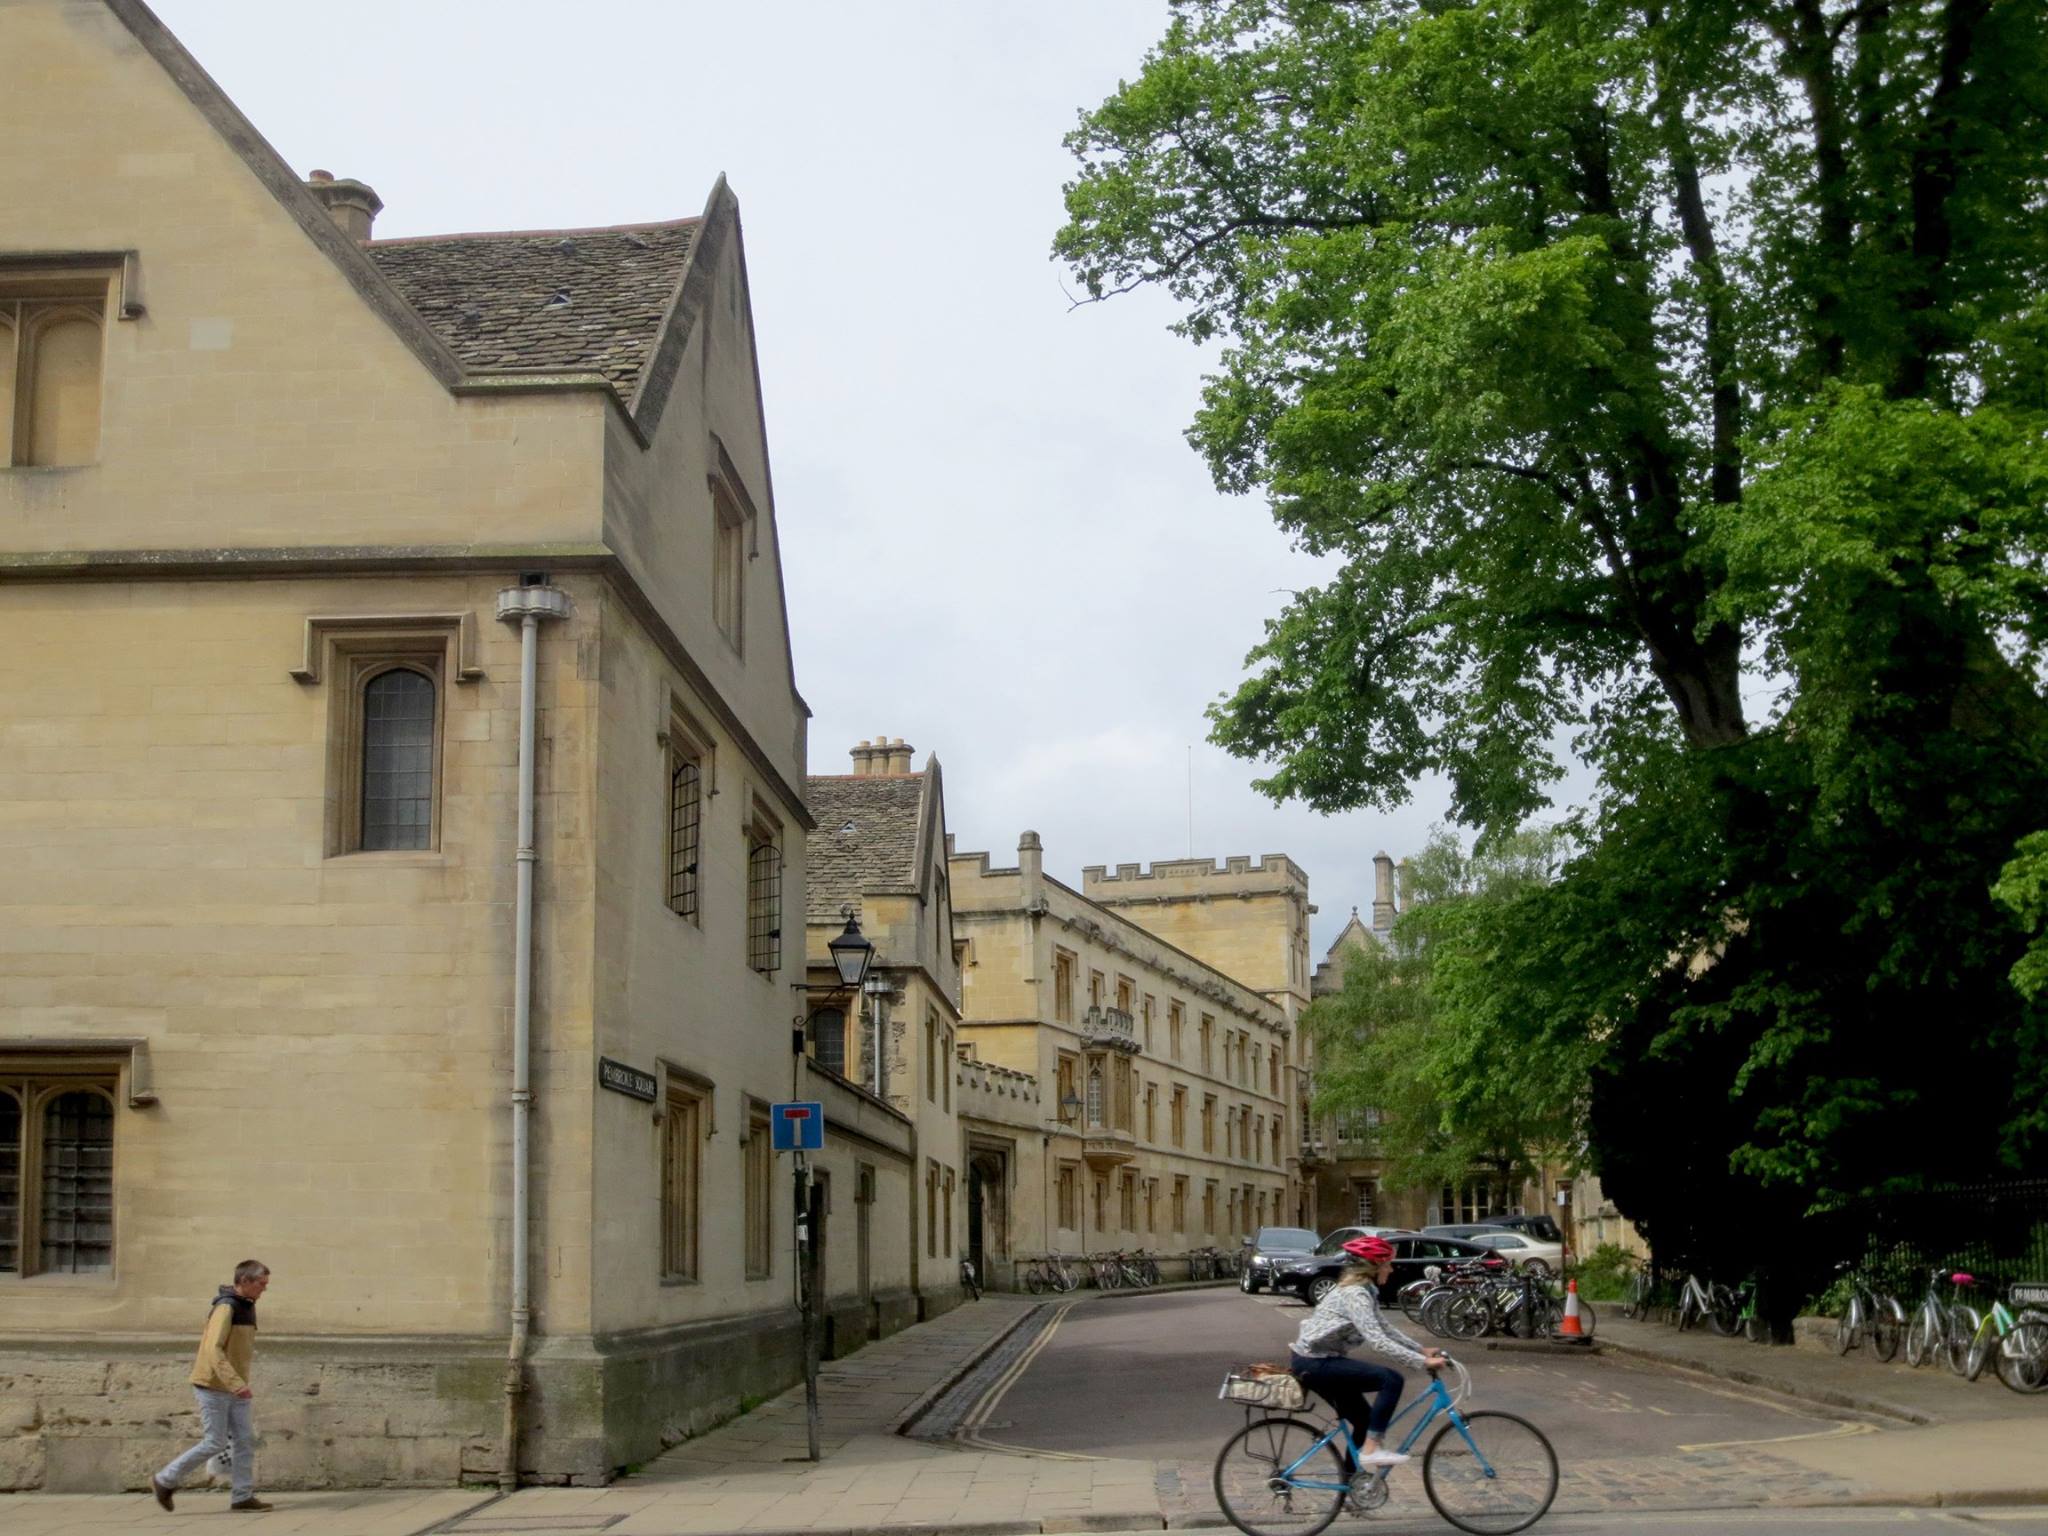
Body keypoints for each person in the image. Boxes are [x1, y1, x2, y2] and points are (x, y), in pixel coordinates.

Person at [1289, 1235, 1445, 1478]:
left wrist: (1419, 1349)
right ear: (1373, 1267)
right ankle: (1372, 1449)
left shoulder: (1366, 1290)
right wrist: (1421, 1363)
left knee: (1364, 1420)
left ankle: (1352, 1481)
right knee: (1391, 1379)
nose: (1391, 1270)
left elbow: (1384, 1327)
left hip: (1319, 1359)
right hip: (1315, 1362)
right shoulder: (1355, 1295)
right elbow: (1378, 1341)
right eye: (1387, 1264)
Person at [151, 1259, 273, 1514]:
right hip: (214, 1386)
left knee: (244, 1441)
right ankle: (164, 1480)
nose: (264, 1289)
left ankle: (242, 1496)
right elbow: (213, 1349)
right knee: (215, 1442)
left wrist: (238, 1384)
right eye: (261, 1284)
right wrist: (235, 1383)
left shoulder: (247, 1306)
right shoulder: (226, 1308)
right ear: (245, 1282)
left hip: (235, 1387)